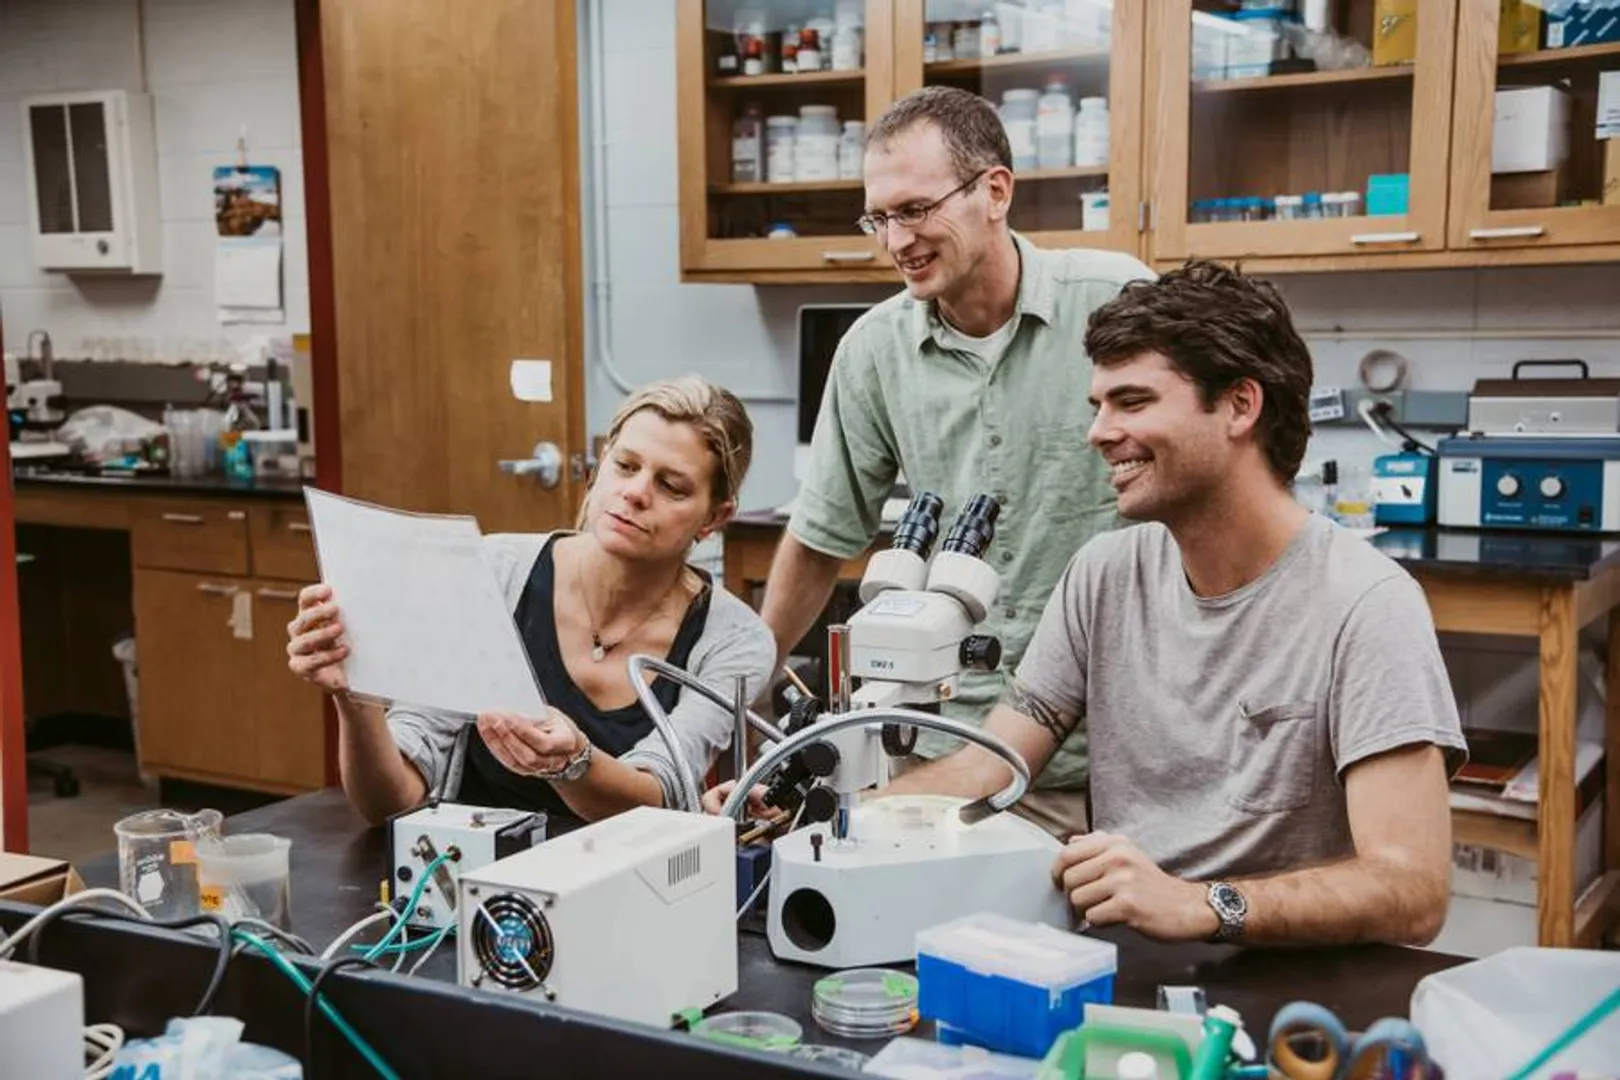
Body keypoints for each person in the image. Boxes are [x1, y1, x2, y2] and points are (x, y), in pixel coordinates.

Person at [878, 261, 1467, 947]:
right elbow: (991, 764)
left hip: (1288, 989)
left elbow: (1413, 890)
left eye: (1132, 402)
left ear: (1240, 406)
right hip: (1124, 962)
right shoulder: (1104, 573)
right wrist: (835, 815)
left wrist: (1203, 905)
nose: (1098, 432)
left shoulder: (1366, 603)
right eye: (1097, 405)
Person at [758, 85, 1153, 837]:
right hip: (947, 747)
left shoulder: (1116, 304)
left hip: (1118, 752)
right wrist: (742, 698)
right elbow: (821, 538)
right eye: (879, 217)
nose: (896, 239)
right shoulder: (874, 353)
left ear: (995, 190)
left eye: (915, 209)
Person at [286, 376, 776, 828]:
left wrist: (573, 763)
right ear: (597, 469)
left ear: (715, 516)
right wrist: (355, 700)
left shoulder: (733, 640)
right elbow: (389, 803)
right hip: (466, 882)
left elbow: (662, 795)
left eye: (671, 486)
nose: (634, 493)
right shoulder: (492, 572)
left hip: (627, 893)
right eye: (624, 465)